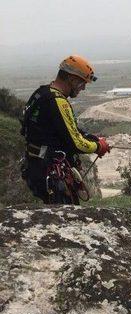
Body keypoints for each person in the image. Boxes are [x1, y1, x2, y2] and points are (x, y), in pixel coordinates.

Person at [21, 54, 110, 204]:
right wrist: (98, 146)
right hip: (52, 172)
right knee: (66, 216)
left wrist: (92, 138)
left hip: (35, 166)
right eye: (82, 83)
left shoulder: (41, 93)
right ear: (72, 79)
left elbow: (65, 128)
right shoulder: (58, 101)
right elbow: (77, 143)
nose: (83, 87)